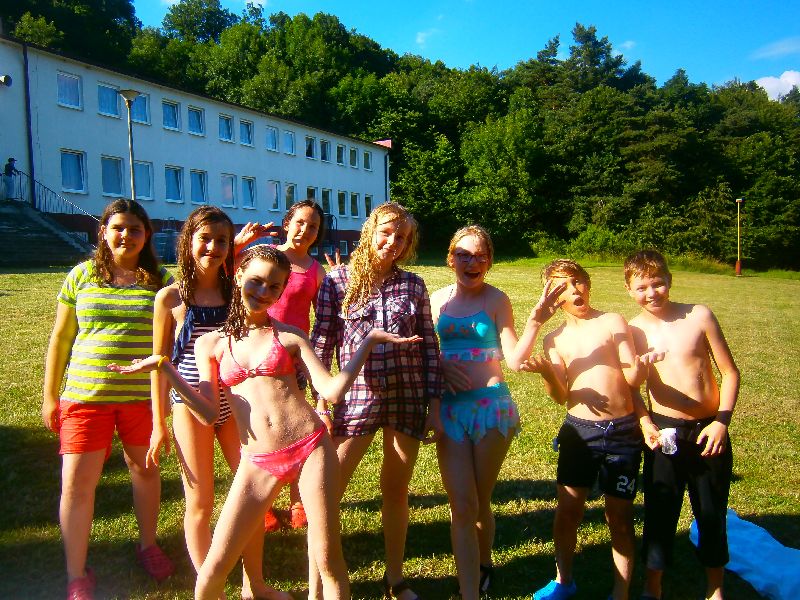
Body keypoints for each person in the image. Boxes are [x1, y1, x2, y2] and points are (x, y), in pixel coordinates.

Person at [110, 245, 423, 600]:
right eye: (256, 281)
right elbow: (209, 412)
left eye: (274, 287)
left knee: (327, 559)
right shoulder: (211, 344)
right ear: (238, 276)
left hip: (310, 448)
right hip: (257, 460)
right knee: (214, 567)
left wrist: (368, 342)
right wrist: (167, 369)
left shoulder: (289, 336)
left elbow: (332, 391)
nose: (263, 292)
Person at [147, 206, 287, 600]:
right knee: (201, 503)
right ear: (187, 241)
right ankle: (212, 589)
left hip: (235, 402)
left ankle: (254, 584)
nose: (212, 247)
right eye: (204, 239)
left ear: (230, 246)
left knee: (253, 497)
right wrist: (158, 423)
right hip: (190, 403)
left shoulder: (235, 292)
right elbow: (160, 364)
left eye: (221, 241)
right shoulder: (170, 298)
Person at [42, 199, 175, 600]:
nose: (126, 235)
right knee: (76, 485)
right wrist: (50, 396)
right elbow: (61, 338)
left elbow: (176, 335)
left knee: (145, 471)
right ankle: (76, 573)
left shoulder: (160, 280)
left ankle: (148, 545)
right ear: (103, 232)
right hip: (86, 398)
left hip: (141, 399)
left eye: (135, 229)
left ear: (146, 235)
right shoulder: (81, 276)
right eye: (118, 227)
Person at [311, 202, 444, 600]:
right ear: (370, 232)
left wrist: (434, 404)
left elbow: (429, 346)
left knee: (396, 490)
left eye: (401, 237)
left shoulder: (414, 285)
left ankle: (395, 578)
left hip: (407, 395)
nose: (393, 242)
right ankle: (317, 587)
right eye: (386, 232)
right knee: (326, 494)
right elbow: (322, 343)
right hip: (355, 399)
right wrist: (320, 401)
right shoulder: (337, 281)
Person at [429, 225, 567, 599]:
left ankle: (484, 563)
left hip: (491, 409)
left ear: (489, 261)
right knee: (462, 505)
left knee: (479, 502)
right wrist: (440, 365)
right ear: (451, 258)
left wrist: (535, 321)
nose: (471, 262)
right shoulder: (438, 300)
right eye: (463, 255)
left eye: (479, 256)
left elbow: (515, 359)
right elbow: (426, 351)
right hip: (451, 411)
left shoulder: (496, 300)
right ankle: (469, 591)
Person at [520, 259, 660, 600]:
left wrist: (641, 367)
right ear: (552, 298)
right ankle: (563, 580)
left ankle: (620, 590)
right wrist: (547, 374)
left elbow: (631, 378)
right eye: (562, 287)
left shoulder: (612, 321)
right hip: (580, 433)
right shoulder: (554, 339)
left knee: (619, 517)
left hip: (623, 433)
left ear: (588, 283)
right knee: (568, 512)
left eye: (578, 281)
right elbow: (561, 395)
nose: (574, 290)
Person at [624, 250, 739, 600]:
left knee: (711, 512)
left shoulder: (698, 316)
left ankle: (715, 589)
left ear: (670, 281)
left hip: (709, 431)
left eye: (658, 283)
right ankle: (653, 587)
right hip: (664, 433)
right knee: (660, 512)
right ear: (629, 290)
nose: (651, 293)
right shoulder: (632, 331)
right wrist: (645, 422)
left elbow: (730, 373)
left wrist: (721, 422)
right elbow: (631, 387)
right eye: (642, 287)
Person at [263, 199, 327, 532]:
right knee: (262, 429)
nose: (305, 230)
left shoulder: (316, 271)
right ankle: (263, 501)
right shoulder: (267, 256)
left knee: (296, 430)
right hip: (259, 357)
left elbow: (324, 320)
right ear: (287, 223)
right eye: (300, 222)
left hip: (294, 362)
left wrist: (312, 361)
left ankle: (297, 500)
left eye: (313, 226)